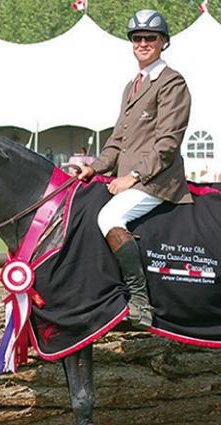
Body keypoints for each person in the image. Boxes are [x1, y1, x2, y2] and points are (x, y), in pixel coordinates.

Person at [76, 9, 192, 329]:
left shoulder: (172, 82)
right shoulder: (133, 85)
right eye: (137, 38)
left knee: (109, 217)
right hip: (128, 180)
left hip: (157, 180)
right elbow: (118, 140)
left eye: (150, 38)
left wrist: (133, 176)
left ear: (163, 43)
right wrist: (92, 168)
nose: (143, 43)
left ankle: (140, 299)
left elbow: (167, 143)